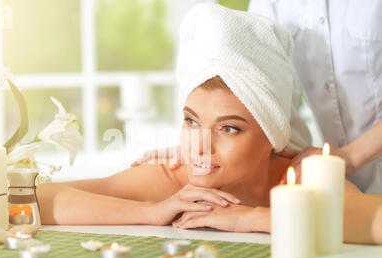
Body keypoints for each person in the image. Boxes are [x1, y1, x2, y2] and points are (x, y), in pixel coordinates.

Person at [37, 3, 382, 245]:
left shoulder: (301, 178)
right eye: (191, 121)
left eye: (229, 128)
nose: (201, 146)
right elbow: (34, 198)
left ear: (272, 137)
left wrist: (251, 219)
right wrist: (152, 212)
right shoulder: (175, 181)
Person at [134, 0, 382, 194]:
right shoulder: (272, 5)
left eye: (228, 128)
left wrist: (352, 155)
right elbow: (262, 101)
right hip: (336, 180)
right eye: (190, 121)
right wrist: (199, 149)